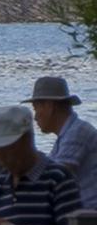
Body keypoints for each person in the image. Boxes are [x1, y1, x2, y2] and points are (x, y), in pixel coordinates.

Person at [26, 76, 97, 210]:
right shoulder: (67, 135)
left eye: (36, 109)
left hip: (89, 219)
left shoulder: (78, 132)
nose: (35, 117)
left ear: (50, 106)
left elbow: (55, 177)